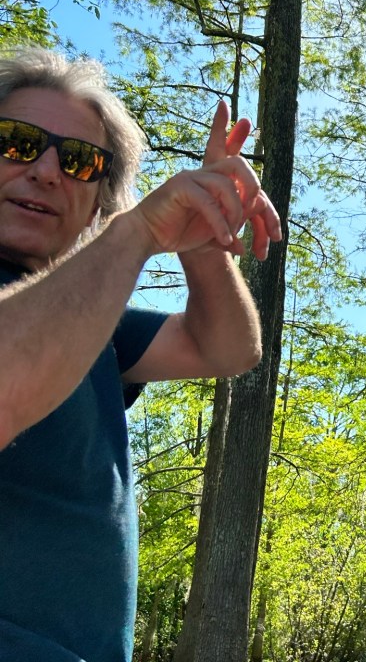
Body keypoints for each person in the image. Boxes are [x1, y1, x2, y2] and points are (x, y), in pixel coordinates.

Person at [0, 47, 281, 661]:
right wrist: (138, 233)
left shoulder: (87, 321)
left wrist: (204, 244)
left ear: (98, 201)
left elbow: (228, 348)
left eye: (79, 161)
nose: (47, 171)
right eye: (17, 141)